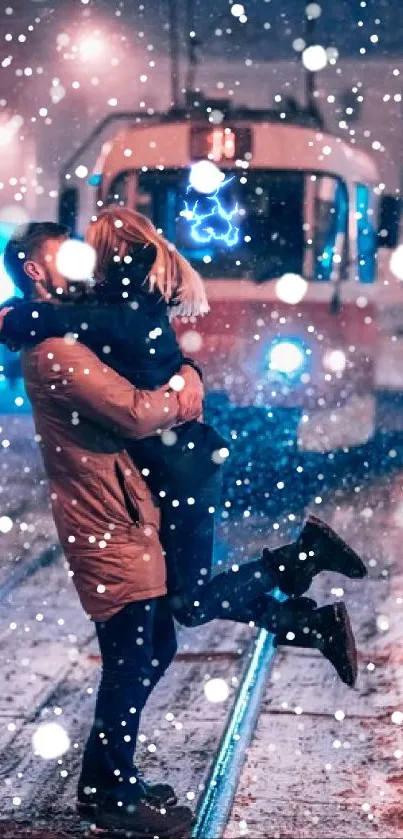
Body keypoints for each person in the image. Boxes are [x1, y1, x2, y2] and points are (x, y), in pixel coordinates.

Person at [2, 210, 366, 673]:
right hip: (172, 469)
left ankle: (306, 564)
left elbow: (104, 336)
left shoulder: (124, 304)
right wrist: (188, 372)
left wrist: (23, 317)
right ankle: (310, 619)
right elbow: (104, 327)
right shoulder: (116, 299)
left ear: (115, 254)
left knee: (189, 605)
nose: (79, 258)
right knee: (183, 598)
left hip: (183, 470)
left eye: (87, 248)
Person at [1, 221, 204, 838]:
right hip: (106, 522)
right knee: (131, 657)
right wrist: (186, 388)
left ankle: (108, 781)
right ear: (36, 271)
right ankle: (108, 792)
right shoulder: (58, 349)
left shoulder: (69, 326)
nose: (83, 262)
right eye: (66, 254)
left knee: (149, 649)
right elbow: (135, 413)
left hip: (123, 514)